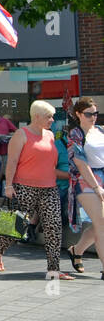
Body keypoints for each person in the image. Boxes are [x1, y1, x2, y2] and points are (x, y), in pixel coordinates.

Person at [0, 100, 67, 279]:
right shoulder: (21, 134)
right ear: (37, 116)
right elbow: (12, 162)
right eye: (49, 117)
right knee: (16, 227)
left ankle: (53, 269)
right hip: (24, 187)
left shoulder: (50, 135)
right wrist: (8, 185)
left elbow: (49, 162)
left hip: (49, 188)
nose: (52, 120)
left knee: (54, 227)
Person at [65, 98, 104, 276]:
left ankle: (77, 250)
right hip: (85, 179)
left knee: (100, 222)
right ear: (79, 114)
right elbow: (81, 164)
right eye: (89, 114)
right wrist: (96, 187)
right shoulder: (75, 134)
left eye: (95, 113)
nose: (93, 117)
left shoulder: (101, 131)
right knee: (101, 222)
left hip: (102, 175)